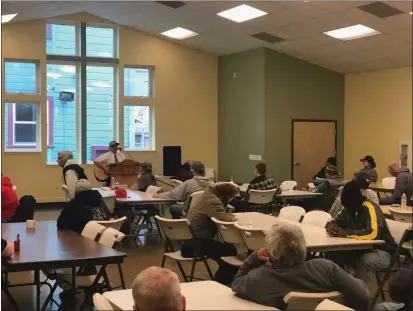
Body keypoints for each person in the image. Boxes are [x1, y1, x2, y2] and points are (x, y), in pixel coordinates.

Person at [231, 222, 370, 311]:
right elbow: (363, 295)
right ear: (303, 246)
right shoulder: (325, 268)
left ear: (270, 251)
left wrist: (253, 258)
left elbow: (236, 283)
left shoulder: (258, 279)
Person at [326, 181, 397, 285]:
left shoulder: (370, 208)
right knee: (333, 253)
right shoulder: (347, 208)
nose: (347, 208)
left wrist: (347, 234)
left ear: (355, 200)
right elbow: (333, 222)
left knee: (365, 261)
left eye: (349, 205)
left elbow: (373, 234)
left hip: (383, 251)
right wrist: (331, 227)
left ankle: (360, 296)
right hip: (360, 249)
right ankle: (340, 287)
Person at [183, 183, 239, 285]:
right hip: (195, 245)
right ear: (225, 196)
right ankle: (221, 281)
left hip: (187, 241)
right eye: (231, 197)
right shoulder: (213, 201)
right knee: (230, 250)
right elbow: (225, 220)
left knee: (226, 249)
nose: (232, 200)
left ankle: (228, 277)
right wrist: (233, 218)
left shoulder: (203, 194)